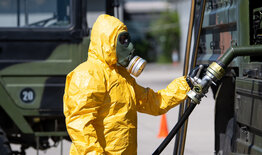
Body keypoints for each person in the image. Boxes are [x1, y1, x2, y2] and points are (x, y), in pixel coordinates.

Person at [63, 14, 191, 154]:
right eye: (122, 40)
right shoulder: (88, 75)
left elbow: (153, 102)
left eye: (127, 39)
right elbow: (80, 124)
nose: (130, 46)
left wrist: (186, 85)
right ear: (107, 43)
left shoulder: (122, 76)